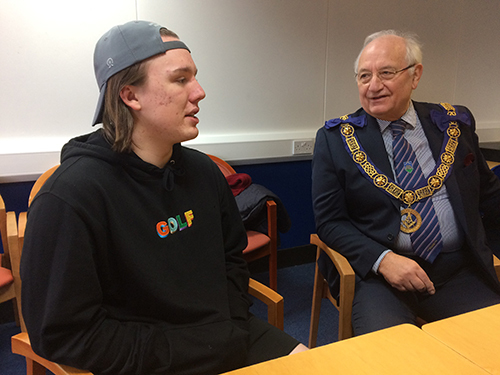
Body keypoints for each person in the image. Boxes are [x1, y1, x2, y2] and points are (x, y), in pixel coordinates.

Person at [20, 20, 306, 375]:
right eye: (180, 79)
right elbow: (63, 334)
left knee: (321, 365)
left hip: (226, 337)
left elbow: (231, 259)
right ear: (130, 95)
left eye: (195, 77)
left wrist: (229, 326)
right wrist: (194, 349)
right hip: (148, 359)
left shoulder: (203, 173)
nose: (199, 92)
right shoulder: (69, 197)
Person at [312, 29, 500, 336]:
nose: (373, 86)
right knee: (392, 359)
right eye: (363, 76)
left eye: (386, 73)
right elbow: (330, 222)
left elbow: (490, 196)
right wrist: (383, 261)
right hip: (379, 278)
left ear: (415, 75)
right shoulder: (335, 140)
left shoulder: (452, 125)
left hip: (456, 270)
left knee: (491, 346)